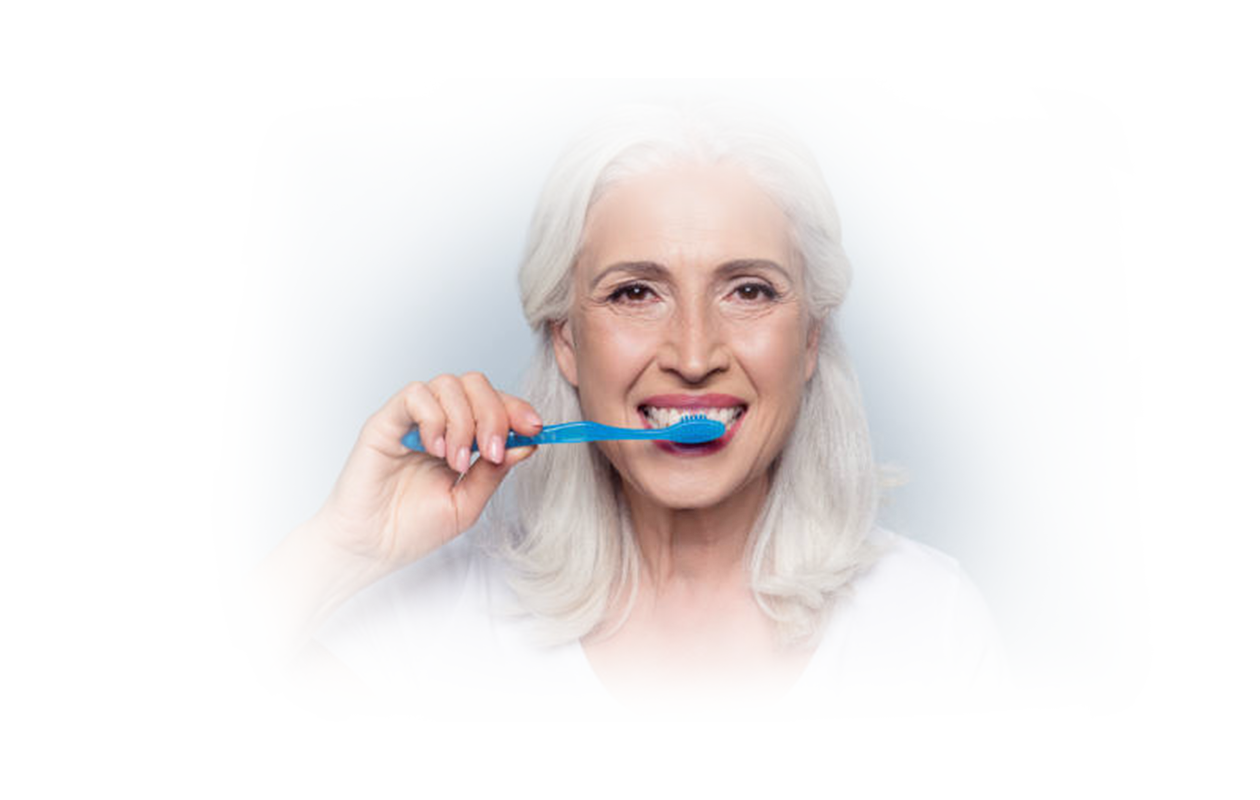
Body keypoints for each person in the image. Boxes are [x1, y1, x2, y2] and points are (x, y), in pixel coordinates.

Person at [202, 93, 1024, 721]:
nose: (695, 354)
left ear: (810, 338)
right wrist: (338, 549)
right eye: (635, 292)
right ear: (566, 340)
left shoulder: (928, 628)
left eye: (748, 290)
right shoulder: (436, 626)